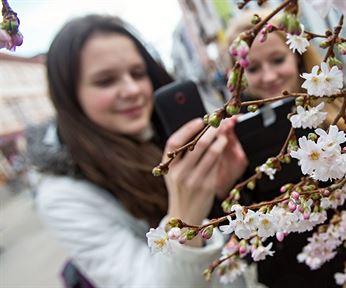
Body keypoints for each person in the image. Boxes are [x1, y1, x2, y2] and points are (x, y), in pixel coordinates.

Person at [27, 15, 248, 288]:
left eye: (138, 73)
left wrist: (218, 190)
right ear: (71, 97)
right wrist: (183, 221)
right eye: (106, 81)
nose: (132, 90)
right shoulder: (62, 195)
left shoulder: (162, 135)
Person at [224, 10, 346, 288]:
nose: (269, 75)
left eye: (278, 59)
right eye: (252, 68)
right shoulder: (235, 135)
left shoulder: (339, 115)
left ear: (298, 56)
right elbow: (239, 224)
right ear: (239, 74)